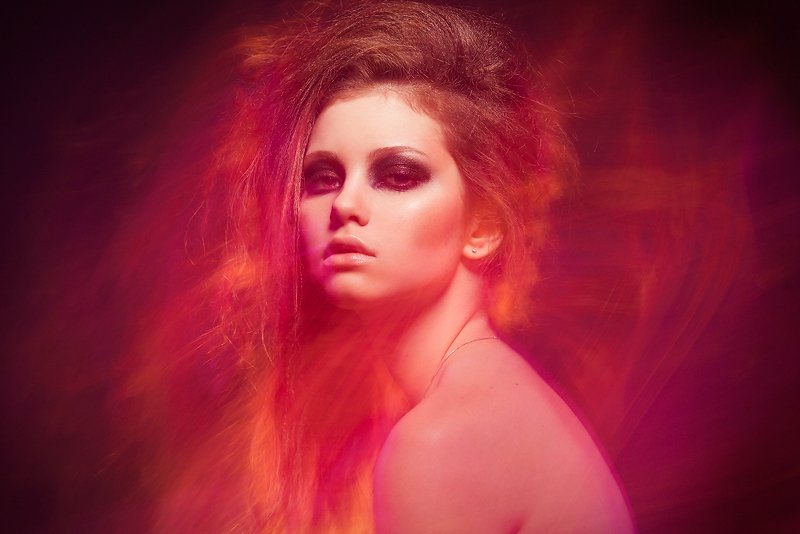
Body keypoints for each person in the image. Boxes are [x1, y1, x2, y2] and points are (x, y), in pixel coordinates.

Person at [153, 1, 635, 531]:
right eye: (322, 177)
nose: (344, 204)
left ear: (483, 228)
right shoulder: (487, 396)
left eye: (398, 175)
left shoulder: (447, 439)